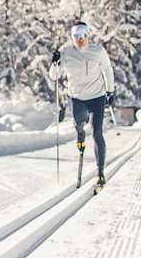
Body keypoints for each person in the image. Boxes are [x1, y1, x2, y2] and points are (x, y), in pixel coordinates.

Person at [48, 21, 115, 186]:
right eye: (76, 36)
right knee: (79, 126)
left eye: (83, 36)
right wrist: (55, 62)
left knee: (97, 132)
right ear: (72, 37)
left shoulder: (98, 51)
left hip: (97, 97)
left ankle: (100, 172)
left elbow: (107, 70)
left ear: (88, 35)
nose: (80, 40)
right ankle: (80, 134)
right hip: (77, 98)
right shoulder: (66, 52)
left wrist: (110, 91)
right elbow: (54, 76)